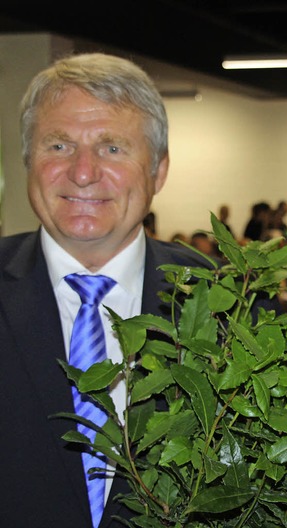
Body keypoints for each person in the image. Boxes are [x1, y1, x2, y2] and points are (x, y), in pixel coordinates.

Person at [0, 53, 206, 527]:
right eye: (58, 146)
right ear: (29, 160)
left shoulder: (227, 306)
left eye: (112, 148)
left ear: (158, 171)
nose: (84, 172)